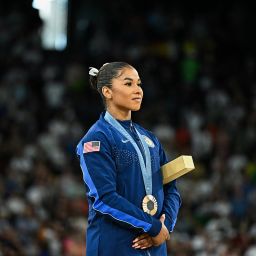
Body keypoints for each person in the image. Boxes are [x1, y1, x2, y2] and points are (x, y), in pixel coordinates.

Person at [76, 62, 181, 256]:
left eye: (139, 84)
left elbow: (171, 187)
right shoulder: (96, 139)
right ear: (107, 92)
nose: (138, 90)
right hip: (115, 245)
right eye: (128, 84)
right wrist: (153, 227)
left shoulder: (150, 139)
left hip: (155, 245)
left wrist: (165, 226)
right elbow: (104, 198)